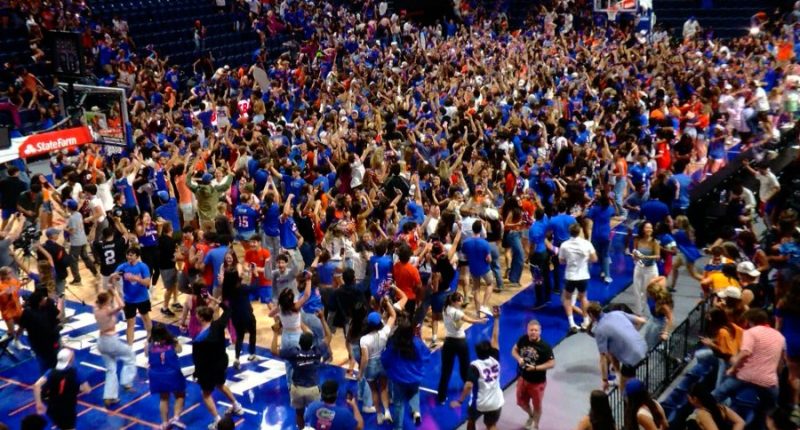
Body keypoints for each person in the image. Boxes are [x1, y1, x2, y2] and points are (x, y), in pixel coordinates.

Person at [713, 309, 785, 425]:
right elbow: (781, 363)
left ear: (751, 321)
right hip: (768, 381)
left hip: (746, 376)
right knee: (772, 408)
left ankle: (705, 419)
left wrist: (732, 368)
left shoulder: (751, 332)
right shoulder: (780, 337)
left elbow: (745, 352)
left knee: (718, 394)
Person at [271, 313, 332, 428]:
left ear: (299, 343)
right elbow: (329, 337)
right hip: (313, 390)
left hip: (297, 390)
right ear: (312, 343)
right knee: (316, 415)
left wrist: (275, 333)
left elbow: (274, 351)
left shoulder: (294, 353)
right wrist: (323, 319)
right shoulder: (317, 351)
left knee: (299, 414)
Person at [191, 299, 244, 429]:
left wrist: (197, 373)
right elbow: (228, 310)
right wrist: (216, 300)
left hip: (208, 369)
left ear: (202, 318)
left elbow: (197, 360)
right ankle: (236, 406)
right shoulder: (219, 325)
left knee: (206, 394)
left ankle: (217, 420)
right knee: (221, 384)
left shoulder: (198, 340)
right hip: (221, 362)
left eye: (197, 315)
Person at [451, 306, 502, 430]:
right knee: (491, 425)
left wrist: (460, 401)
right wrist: (496, 319)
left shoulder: (475, 366)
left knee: (471, 420)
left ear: (477, 353)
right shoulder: (495, 358)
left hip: (480, 402)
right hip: (496, 401)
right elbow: (495, 338)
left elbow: (468, 386)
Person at [437, 291, 487, 404]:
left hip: (448, 342)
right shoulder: (456, 312)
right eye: (460, 300)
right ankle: (469, 387)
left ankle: (441, 397)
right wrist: (480, 320)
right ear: (454, 302)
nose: (462, 302)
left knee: (446, 371)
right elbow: (469, 319)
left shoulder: (445, 309)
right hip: (460, 343)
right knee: (465, 367)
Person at [381, 317, 431, 429]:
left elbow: (384, 359)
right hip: (415, 377)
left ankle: (398, 427)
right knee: (414, 392)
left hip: (398, 379)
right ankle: (416, 412)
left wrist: (389, 370)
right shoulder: (417, 342)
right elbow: (427, 356)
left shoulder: (394, 345)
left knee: (398, 403)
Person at [586, 302, 647, 391]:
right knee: (611, 350)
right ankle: (619, 376)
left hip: (632, 358)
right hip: (643, 347)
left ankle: (629, 395)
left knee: (623, 390)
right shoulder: (617, 313)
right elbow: (642, 320)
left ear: (590, 315)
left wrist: (604, 380)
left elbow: (603, 358)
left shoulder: (600, 330)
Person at [93, 288, 137, 406]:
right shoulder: (107, 311)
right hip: (111, 340)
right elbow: (122, 305)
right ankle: (126, 382)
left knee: (111, 369)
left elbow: (98, 297)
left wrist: (109, 285)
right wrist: (116, 293)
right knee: (130, 356)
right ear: (106, 302)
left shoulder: (96, 309)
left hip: (101, 341)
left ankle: (109, 396)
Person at [511, 319, 555, 430]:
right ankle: (531, 415)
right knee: (520, 402)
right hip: (523, 378)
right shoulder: (523, 339)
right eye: (531, 330)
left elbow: (552, 363)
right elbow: (514, 350)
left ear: (540, 332)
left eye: (536, 330)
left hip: (537, 383)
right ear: (527, 331)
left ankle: (536, 425)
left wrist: (535, 368)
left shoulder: (545, 347)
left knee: (537, 406)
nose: (533, 332)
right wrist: (519, 359)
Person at [360, 298, 398, 423]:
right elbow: (393, 315)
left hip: (370, 366)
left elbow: (364, 359)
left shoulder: (364, 339)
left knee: (374, 391)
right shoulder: (385, 332)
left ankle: (379, 415)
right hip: (382, 363)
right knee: (383, 388)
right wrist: (387, 302)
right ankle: (387, 411)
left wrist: (360, 373)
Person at [32, 348, 91, 430]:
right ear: (70, 359)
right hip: (68, 408)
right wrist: (76, 387)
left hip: (53, 408)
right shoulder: (75, 372)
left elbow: (36, 385)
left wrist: (39, 404)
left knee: (61, 425)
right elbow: (87, 390)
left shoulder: (50, 372)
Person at [145, 324, 186, 430]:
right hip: (172, 372)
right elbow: (180, 350)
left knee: (163, 398)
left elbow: (146, 354)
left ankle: (164, 423)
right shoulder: (172, 342)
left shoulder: (149, 344)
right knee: (180, 395)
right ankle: (176, 418)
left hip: (156, 374)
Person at [559, 222, 597, 333]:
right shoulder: (587, 244)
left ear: (569, 232)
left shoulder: (564, 245)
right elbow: (594, 259)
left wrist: (570, 260)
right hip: (583, 276)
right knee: (583, 298)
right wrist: (585, 260)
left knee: (567, 298)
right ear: (579, 231)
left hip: (570, 276)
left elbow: (561, 261)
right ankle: (586, 321)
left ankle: (572, 323)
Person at [111, 248, 153, 345]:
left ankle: (150, 336)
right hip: (129, 299)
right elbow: (114, 277)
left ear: (137, 256)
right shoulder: (122, 267)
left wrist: (136, 279)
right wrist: (115, 277)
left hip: (142, 298)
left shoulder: (143, 267)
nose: (129, 257)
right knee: (130, 323)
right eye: (128, 255)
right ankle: (129, 346)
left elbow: (147, 283)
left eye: (131, 255)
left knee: (146, 317)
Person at [19, 289, 61, 373]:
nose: (45, 299)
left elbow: (22, 325)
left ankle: (45, 379)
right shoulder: (45, 311)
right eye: (43, 299)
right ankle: (51, 379)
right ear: (39, 302)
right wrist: (60, 302)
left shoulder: (27, 312)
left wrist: (17, 334)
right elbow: (59, 317)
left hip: (36, 342)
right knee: (53, 362)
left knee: (43, 362)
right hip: (48, 341)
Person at [461, 220, 495, 315]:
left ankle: (478, 311)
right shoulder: (485, 243)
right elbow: (489, 259)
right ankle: (484, 305)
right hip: (484, 268)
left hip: (473, 268)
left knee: (476, 289)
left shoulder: (466, 242)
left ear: (472, 229)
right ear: (480, 230)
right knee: (490, 284)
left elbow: (464, 256)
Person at [629, 222, 661, 316]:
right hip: (639, 267)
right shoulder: (637, 239)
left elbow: (658, 256)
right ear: (642, 229)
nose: (649, 230)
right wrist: (634, 256)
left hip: (650, 269)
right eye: (647, 228)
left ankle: (648, 312)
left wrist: (646, 257)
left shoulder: (655, 242)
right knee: (637, 290)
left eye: (650, 228)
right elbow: (634, 252)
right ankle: (638, 312)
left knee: (647, 291)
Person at [64, 198, 97, 285]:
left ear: (69, 208)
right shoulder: (79, 214)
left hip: (76, 243)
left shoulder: (72, 218)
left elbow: (72, 231)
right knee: (85, 257)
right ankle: (95, 272)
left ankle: (77, 279)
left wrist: (65, 229)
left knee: (73, 261)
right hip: (83, 239)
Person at [92, 225, 128, 293]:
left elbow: (90, 239)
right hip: (117, 271)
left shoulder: (100, 245)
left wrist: (94, 226)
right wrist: (118, 222)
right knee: (121, 291)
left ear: (103, 235)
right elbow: (126, 233)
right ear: (112, 234)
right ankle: (122, 303)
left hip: (106, 272)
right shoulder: (118, 243)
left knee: (108, 292)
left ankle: (110, 303)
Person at [643, 276, 674, 349]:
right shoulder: (651, 287)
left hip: (658, 323)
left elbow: (670, 318)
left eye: (649, 293)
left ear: (654, 295)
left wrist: (665, 332)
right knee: (647, 338)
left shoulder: (662, 305)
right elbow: (663, 278)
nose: (647, 294)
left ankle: (657, 357)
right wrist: (654, 280)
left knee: (654, 343)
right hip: (652, 319)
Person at [158, 221, 180, 316]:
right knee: (169, 288)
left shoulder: (161, 239)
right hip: (167, 267)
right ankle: (164, 307)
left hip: (165, 266)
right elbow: (173, 256)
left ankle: (175, 302)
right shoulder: (170, 242)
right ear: (170, 229)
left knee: (174, 284)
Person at [0, 266, 23, 349]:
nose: (12, 274)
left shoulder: (14, 281)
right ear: (3, 275)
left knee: (23, 325)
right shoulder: (0, 285)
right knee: (11, 331)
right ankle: (5, 342)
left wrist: (28, 280)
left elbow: (18, 286)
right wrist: (4, 292)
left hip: (17, 308)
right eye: (10, 272)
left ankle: (16, 340)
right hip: (7, 311)